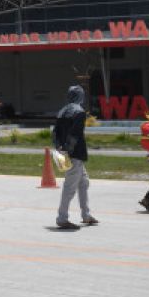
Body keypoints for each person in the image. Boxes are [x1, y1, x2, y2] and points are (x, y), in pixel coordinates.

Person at [52, 85, 97, 229]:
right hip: (75, 154)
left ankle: (86, 215)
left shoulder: (62, 111)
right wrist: (68, 150)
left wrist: (59, 147)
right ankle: (62, 218)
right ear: (80, 96)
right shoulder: (79, 112)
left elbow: (55, 133)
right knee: (69, 187)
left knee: (84, 183)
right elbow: (75, 133)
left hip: (64, 152)